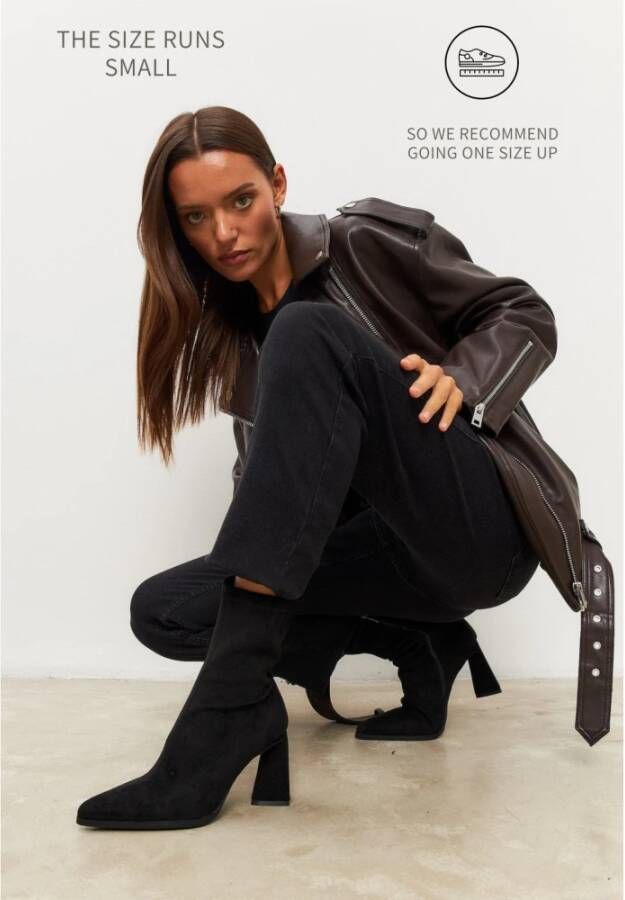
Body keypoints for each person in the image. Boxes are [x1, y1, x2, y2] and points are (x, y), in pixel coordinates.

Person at [76, 105, 541, 831]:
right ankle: (418, 642)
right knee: (165, 609)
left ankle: (220, 721)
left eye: (240, 201)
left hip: (478, 528)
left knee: (307, 327)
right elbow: (279, 496)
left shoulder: (362, 242)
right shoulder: (236, 336)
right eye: (196, 217)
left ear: (278, 185)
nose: (224, 233)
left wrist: (464, 380)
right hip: (385, 556)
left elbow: (521, 309)